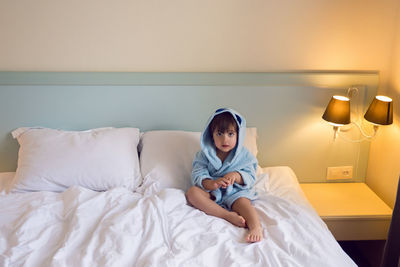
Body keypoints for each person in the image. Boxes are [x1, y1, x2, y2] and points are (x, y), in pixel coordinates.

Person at [186, 108, 263, 243]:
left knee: (244, 204)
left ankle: (256, 227)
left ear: (238, 135)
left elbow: (250, 175)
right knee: (192, 193)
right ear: (211, 135)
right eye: (220, 133)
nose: (225, 139)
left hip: (235, 192)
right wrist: (211, 183)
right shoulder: (204, 154)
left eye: (230, 134)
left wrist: (237, 175)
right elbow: (198, 172)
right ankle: (227, 215)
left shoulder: (244, 155)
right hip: (212, 192)